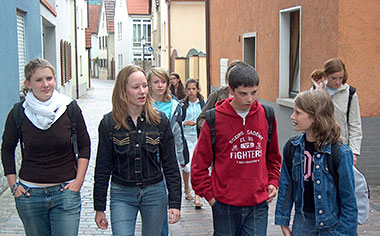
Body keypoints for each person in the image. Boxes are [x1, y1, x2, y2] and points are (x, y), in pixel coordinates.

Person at [1, 58, 90, 236]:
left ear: (55, 80)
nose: (45, 84)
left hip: (65, 194)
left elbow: (84, 145)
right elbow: (7, 149)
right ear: (28, 84)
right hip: (29, 195)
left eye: (49, 78)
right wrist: (13, 186)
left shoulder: (69, 108)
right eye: (39, 80)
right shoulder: (19, 113)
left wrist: (78, 181)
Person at [191, 62, 282, 235]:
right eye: (243, 94)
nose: (250, 99)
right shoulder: (214, 119)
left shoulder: (267, 115)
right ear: (231, 91)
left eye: (254, 92)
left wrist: (272, 182)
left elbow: (273, 157)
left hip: (257, 204)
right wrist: (210, 197)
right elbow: (199, 164)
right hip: (224, 205)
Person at [93, 65, 181, 236]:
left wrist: (175, 202)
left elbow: (170, 164)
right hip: (122, 193)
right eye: (136, 87)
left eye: (144, 86)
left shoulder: (159, 120)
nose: (142, 91)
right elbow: (102, 167)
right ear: (123, 90)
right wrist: (99, 207)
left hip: (154, 192)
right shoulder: (109, 123)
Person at [275, 89, 358, 236]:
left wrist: (345, 232)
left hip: (332, 225)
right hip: (303, 222)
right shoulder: (292, 148)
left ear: (315, 117)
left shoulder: (340, 153)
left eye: (298, 113)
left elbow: (349, 200)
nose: (292, 116)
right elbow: (286, 186)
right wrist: (283, 219)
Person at [147, 68, 189, 236]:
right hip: (148, 156)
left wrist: (181, 157)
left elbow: (178, 133)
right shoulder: (143, 103)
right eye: (156, 82)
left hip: (166, 156)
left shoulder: (174, 105)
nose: (160, 85)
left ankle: (162, 231)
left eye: (163, 82)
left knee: (162, 197)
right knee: (152, 200)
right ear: (149, 84)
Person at [310, 58, 362, 165]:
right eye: (333, 78)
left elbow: (355, 124)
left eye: (341, 78)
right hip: (319, 145)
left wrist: (354, 152)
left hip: (341, 146)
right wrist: (319, 92)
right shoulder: (315, 91)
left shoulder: (350, 94)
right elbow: (310, 118)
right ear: (326, 75)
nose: (337, 82)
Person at [196, 60, 244, 135]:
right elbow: (201, 119)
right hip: (220, 141)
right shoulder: (217, 95)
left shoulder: (249, 97)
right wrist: (213, 130)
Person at [181, 78, 205, 208]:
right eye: (189, 89)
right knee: (187, 165)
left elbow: (207, 118)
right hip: (186, 137)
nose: (191, 91)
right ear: (186, 90)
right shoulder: (182, 105)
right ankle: (186, 188)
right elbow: (177, 122)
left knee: (196, 165)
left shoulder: (202, 103)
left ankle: (197, 195)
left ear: (198, 90)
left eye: (193, 89)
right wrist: (185, 122)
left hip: (198, 137)